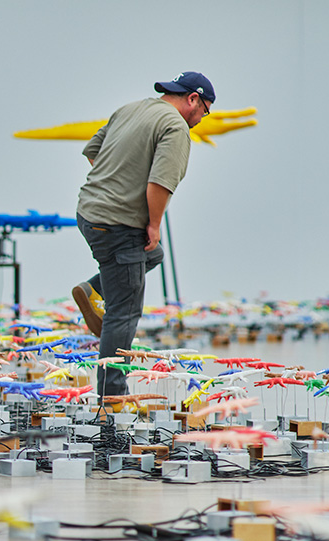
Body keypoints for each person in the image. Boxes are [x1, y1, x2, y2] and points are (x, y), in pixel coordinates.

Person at [72, 71, 214, 397]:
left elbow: (94, 151)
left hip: (87, 212)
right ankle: (111, 401)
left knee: (154, 255)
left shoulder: (131, 109)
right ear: (193, 98)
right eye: (204, 110)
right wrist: (153, 224)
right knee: (123, 312)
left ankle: (92, 289)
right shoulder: (175, 126)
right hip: (118, 226)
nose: (201, 119)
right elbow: (159, 184)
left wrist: (117, 179)